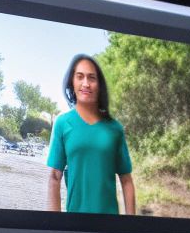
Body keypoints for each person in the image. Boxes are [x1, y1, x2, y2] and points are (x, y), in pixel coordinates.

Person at [46, 54, 136, 215]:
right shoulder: (62, 123)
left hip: (110, 224)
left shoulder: (114, 129)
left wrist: (132, 226)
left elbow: (126, 180)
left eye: (92, 78)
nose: (86, 83)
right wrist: (55, 226)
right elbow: (54, 177)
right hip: (74, 223)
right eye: (80, 77)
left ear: (99, 85)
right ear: (71, 83)